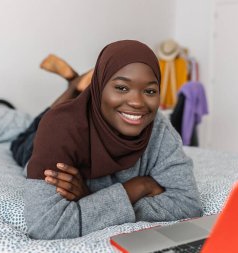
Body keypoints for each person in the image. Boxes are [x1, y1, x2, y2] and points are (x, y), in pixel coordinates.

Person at [11, 40, 202, 240]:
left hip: (83, 116)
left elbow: (188, 204)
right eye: (121, 88)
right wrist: (137, 187)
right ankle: (74, 86)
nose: (137, 102)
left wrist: (91, 198)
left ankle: (76, 86)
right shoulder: (59, 128)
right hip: (37, 143)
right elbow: (47, 227)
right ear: (99, 88)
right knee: (25, 138)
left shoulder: (159, 127)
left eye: (150, 91)